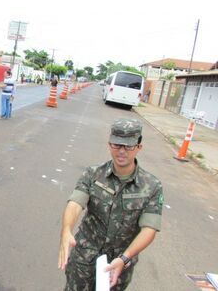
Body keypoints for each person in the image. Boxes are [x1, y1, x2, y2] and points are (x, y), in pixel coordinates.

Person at [58, 118, 164, 291]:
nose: (121, 151)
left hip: (119, 265)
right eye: (116, 145)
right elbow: (76, 203)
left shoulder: (152, 186)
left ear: (139, 147)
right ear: (109, 144)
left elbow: (149, 229)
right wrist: (66, 229)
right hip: (84, 259)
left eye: (128, 146)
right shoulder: (93, 174)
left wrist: (125, 258)